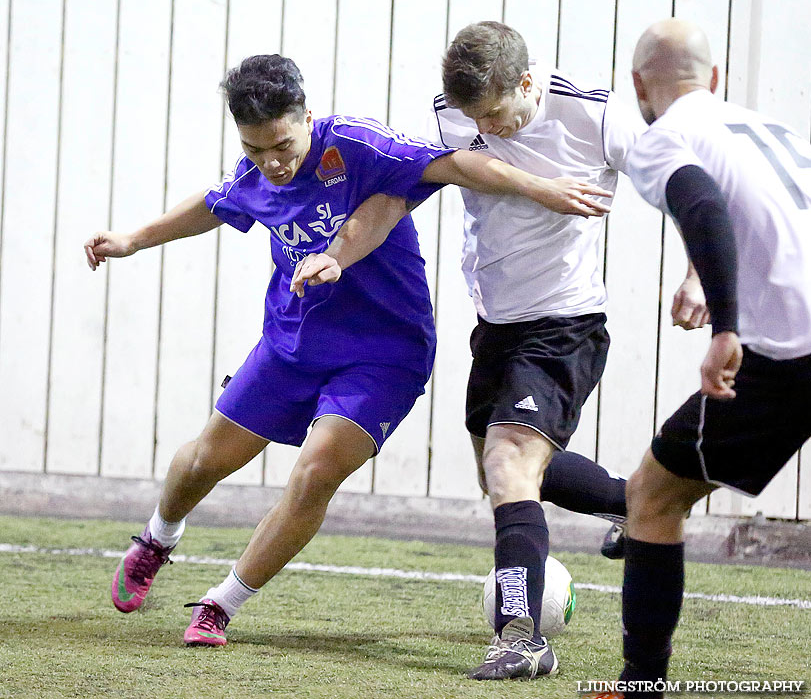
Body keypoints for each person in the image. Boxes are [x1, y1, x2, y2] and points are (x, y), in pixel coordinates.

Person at [84, 54, 613, 648]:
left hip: (385, 355)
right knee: (208, 458)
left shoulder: (361, 146)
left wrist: (544, 188)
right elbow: (215, 203)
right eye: (256, 150)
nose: (273, 163)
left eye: (282, 144)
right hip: (292, 342)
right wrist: (132, 237)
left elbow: (457, 162)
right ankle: (157, 537)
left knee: (314, 473)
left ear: (308, 115)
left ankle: (220, 604)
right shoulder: (258, 172)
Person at [431, 21, 707, 681]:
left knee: (507, 462)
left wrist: (700, 273)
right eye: (476, 120)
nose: (487, 130)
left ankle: (521, 638)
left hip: (564, 325)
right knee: (503, 477)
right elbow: (448, 164)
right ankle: (629, 499)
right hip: (495, 325)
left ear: (526, 82)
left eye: (496, 115)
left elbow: (684, 184)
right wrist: (535, 186)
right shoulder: (453, 108)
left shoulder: (593, 111)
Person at [589, 18, 811, 699]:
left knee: (652, 495)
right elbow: (746, 212)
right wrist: (702, 277)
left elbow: (702, 202)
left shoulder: (661, 140)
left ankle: (640, 686)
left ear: (636, 87)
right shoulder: (771, 130)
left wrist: (726, 324)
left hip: (788, 348)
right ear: (712, 78)